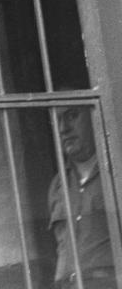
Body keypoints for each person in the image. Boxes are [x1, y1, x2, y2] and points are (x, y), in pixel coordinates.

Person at [49, 105, 116, 288]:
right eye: (57, 120)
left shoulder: (115, 171)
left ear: (94, 116)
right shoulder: (58, 185)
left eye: (72, 115)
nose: (63, 128)